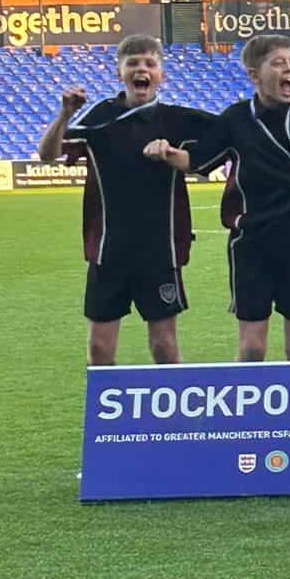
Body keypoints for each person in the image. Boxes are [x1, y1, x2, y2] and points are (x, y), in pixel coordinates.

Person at [144, 35, 290, 361]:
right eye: (279, 63)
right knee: (252, 347)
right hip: (251, 247)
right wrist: (165, 151)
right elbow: (195, 161)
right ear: (255, 75)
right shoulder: (235, 119)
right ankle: (249, 413)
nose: (289, 69)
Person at [37, 34, 215, 366]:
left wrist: (179, 154)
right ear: (120, 72)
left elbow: (228, 137)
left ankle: (173, 417)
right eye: (132, 63)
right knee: (100, 351)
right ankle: (106, 419)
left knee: (164, 346)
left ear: (161, 74)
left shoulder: (177, 119)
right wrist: (64, 115)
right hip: (107, 252)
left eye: (150, 63)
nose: (141, 69)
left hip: (160, 252)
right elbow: (48, 155)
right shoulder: (99, 117)